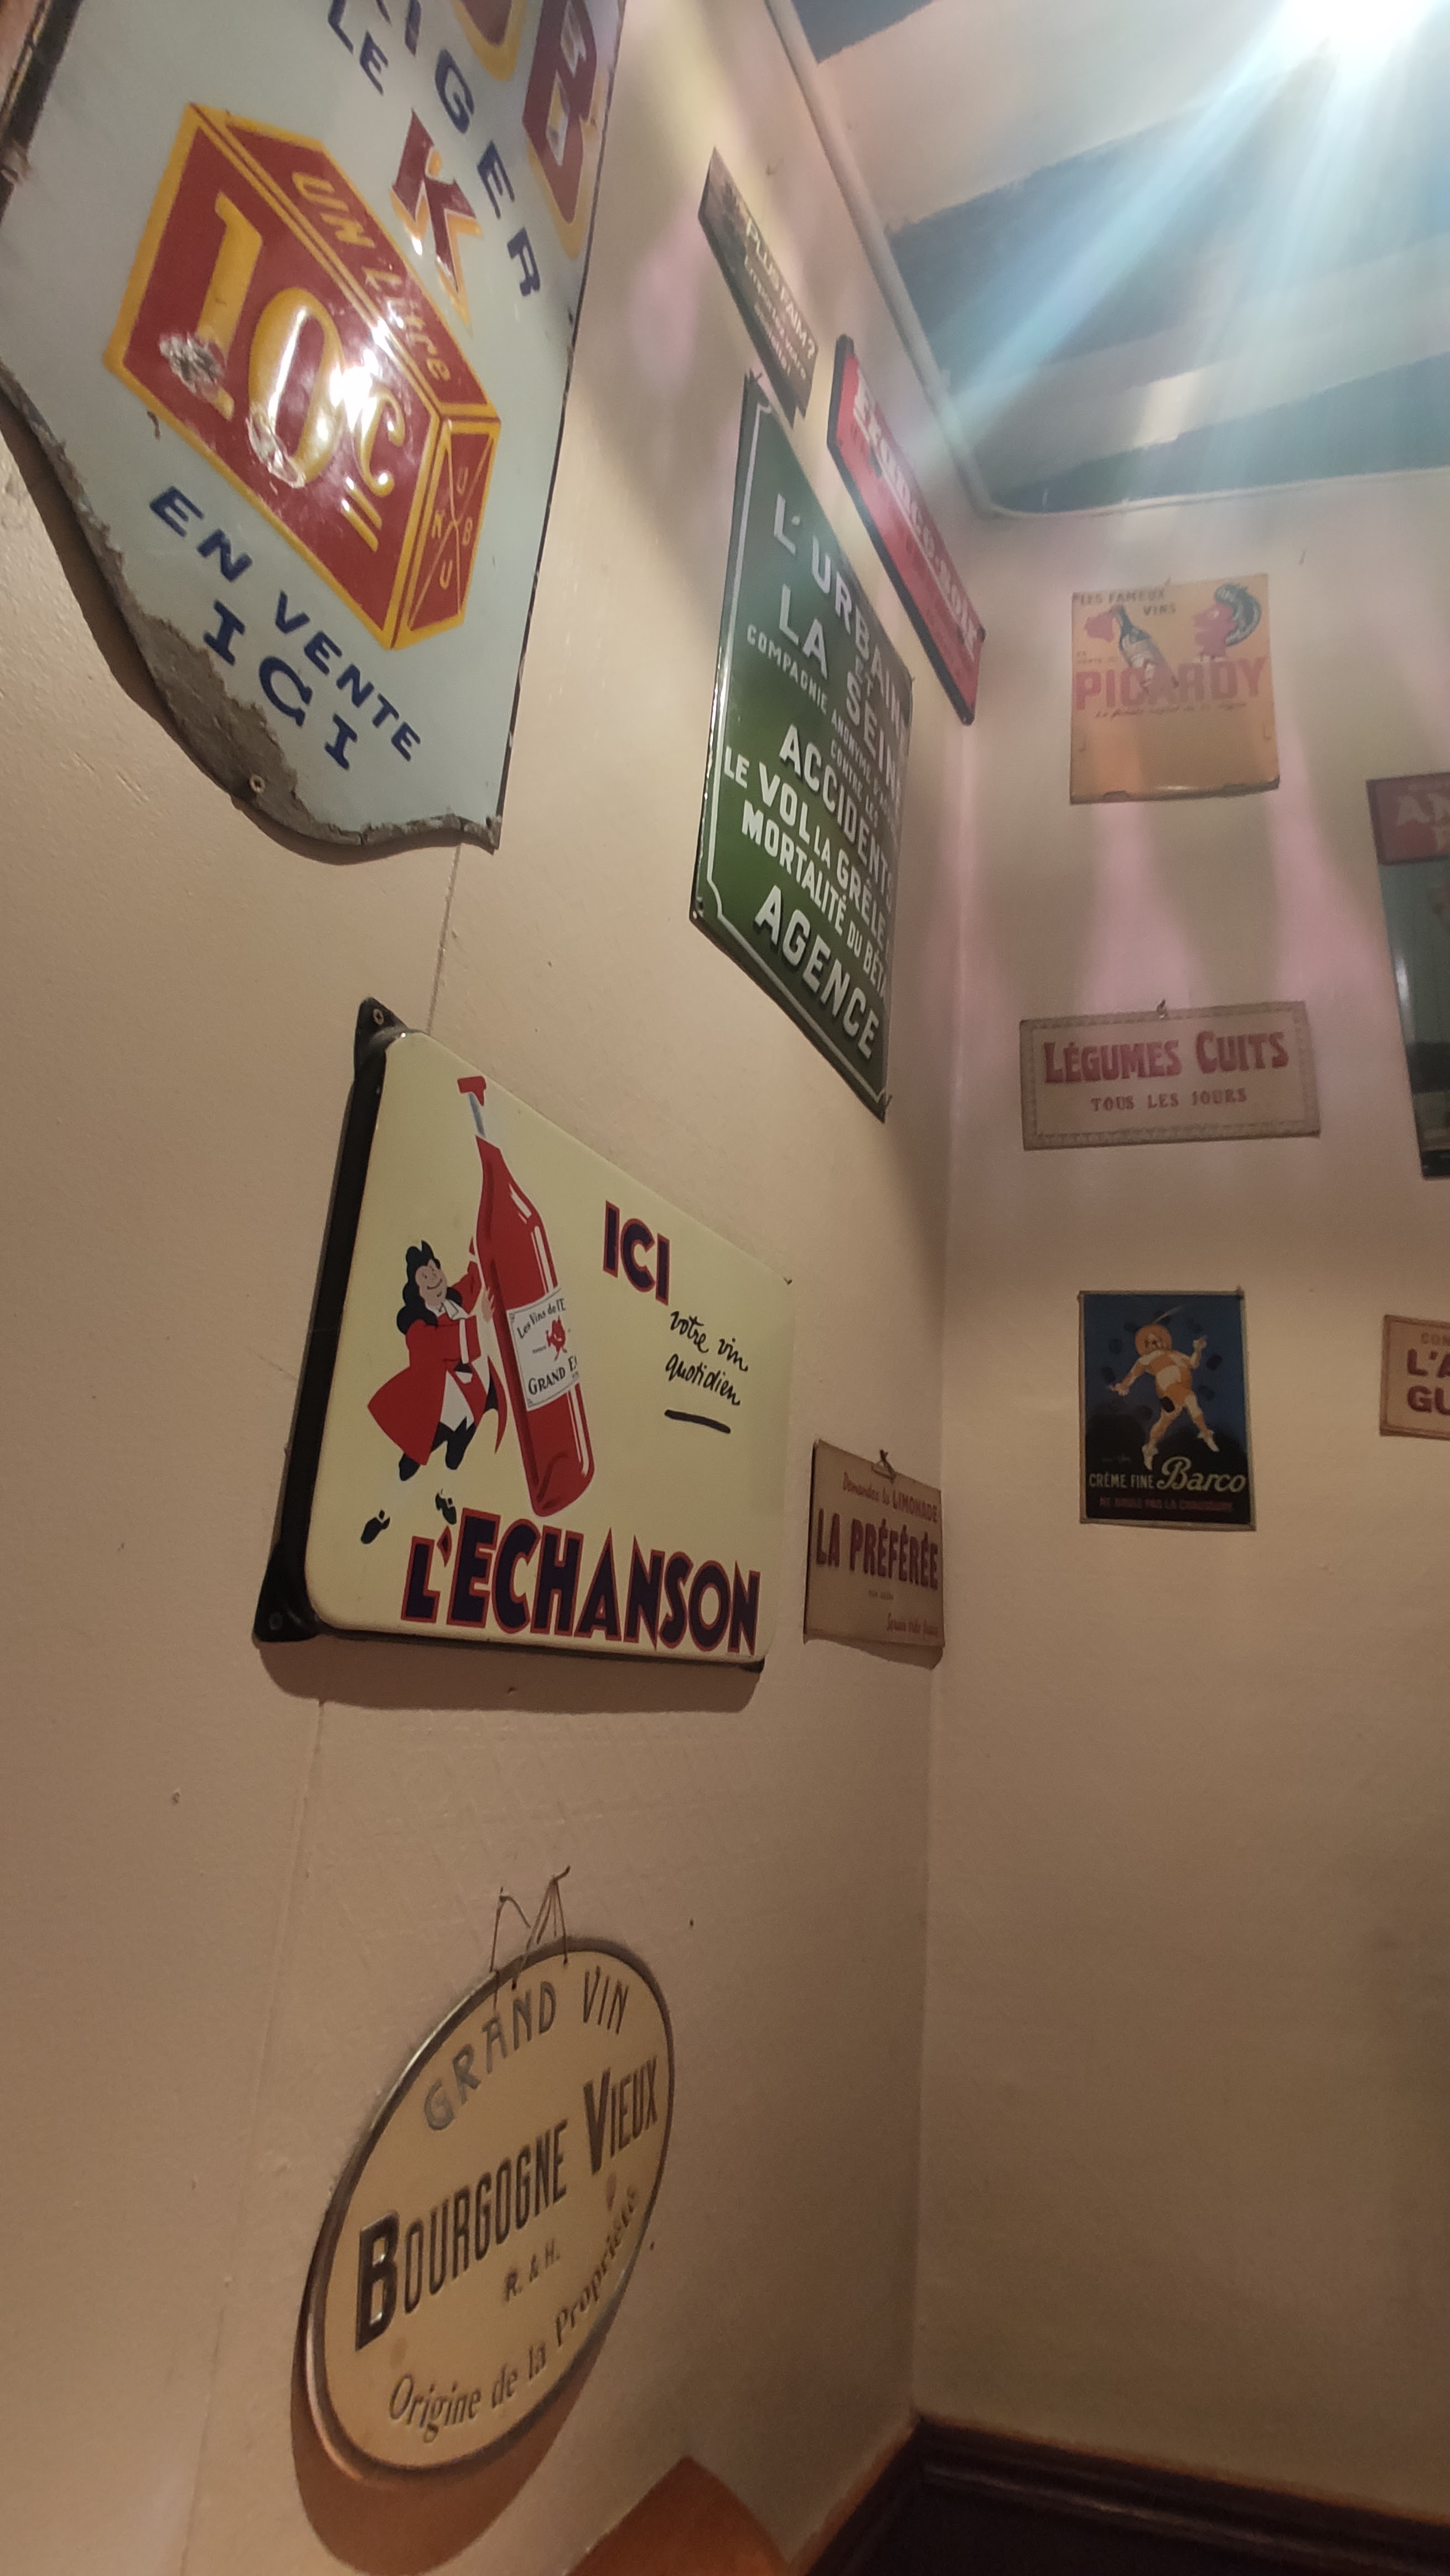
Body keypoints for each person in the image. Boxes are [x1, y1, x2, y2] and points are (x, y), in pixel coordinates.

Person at [368, 1241, 505, 1482]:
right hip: (439, 1399)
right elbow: (444, 1344)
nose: (434, 1277)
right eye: (425, 1276)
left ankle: (453, 1465)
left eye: (435, 1269)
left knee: (464, 1433)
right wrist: (481, 1321)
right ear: (417, 1291)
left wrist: (479, 1243)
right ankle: (413, 1460)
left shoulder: (453, 1302)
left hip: (472, 1389)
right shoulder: (418, 1328)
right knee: (431, 1435)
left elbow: (473, 1282)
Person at [1113, 1321, 1218, 1472]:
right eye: (1151, 1342)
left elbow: (1193, 1364)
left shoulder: (1176, 1354)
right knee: (1190, 1399)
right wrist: (1124, 1385)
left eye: (1157, 1341)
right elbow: (1134, 1373)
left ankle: (1150, 1448)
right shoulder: (1149, 1358)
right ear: (1147, 1346)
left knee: (1165, 1421)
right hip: (1168, 1386)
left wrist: (1197, 1350)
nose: (1156, 1344)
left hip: (1180, 1388)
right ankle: (1206, 1433)